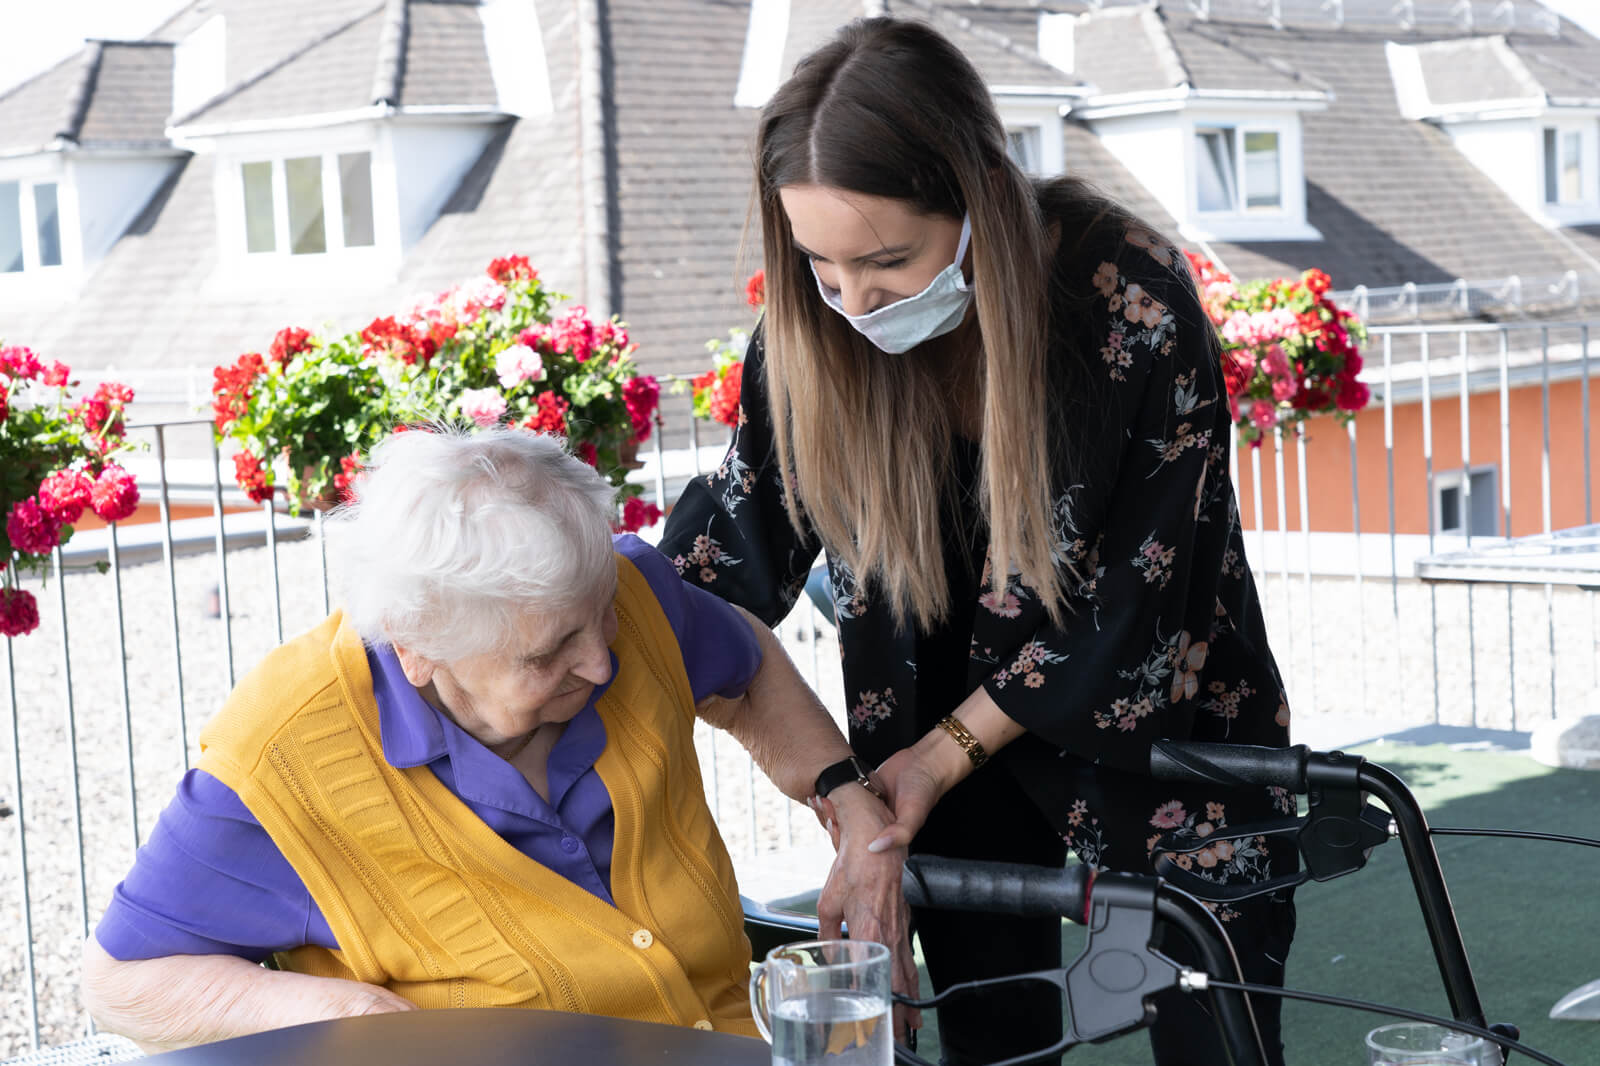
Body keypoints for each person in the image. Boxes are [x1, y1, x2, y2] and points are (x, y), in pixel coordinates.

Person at [657, 16, 1299, 1066]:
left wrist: (935, 755)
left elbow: (1130, 611)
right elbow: (724, 556)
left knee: (1212, 1030)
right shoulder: (812, 334)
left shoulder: (1126, 304)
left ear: (976, 199)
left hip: (1161, 735)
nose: (853, 303)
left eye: (887, 261)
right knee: (990, 1041)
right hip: (929, 766)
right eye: (819, 263)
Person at [81, 425, 910, 1052]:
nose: (601, 660)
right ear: (416, 649)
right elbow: (122, 982)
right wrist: (351, 1014)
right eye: (549, 652)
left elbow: (748, 660)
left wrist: (842, 793)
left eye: (602, 618)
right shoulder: (286, 753)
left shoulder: (626, 595)